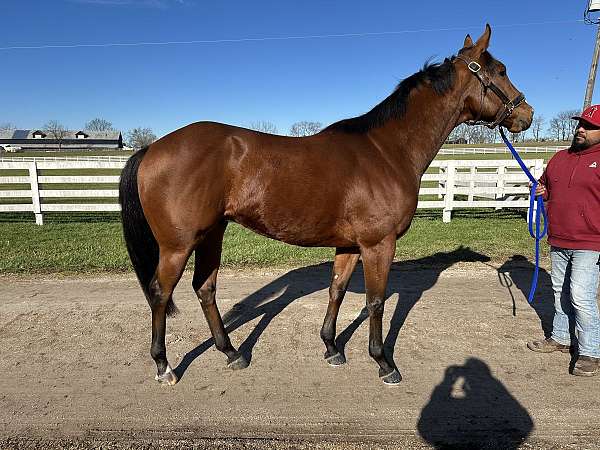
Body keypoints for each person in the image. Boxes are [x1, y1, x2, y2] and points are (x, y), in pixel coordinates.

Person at [527, 105, 600, 377]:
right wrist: (539, 191)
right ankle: (561, 337)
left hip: (591, 241)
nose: (581, 129)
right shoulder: (560, 158)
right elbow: (546, 189)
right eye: (580, 124)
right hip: (559, 238)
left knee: (581, 296)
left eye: (589, 126)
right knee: (560, 291)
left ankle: (591, 352)